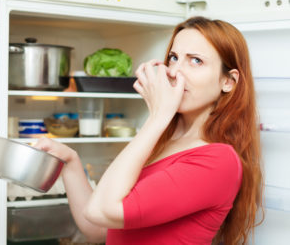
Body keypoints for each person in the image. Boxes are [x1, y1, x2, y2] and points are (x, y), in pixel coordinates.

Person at [35, 16, 264, 245]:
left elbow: (101, 210)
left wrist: (158, 116)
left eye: (195, 61)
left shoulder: (217, 161)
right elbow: (99, 228)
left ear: (228, 82)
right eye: (174, 58)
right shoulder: (162, 142)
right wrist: (70, 162)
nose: (175, 71)